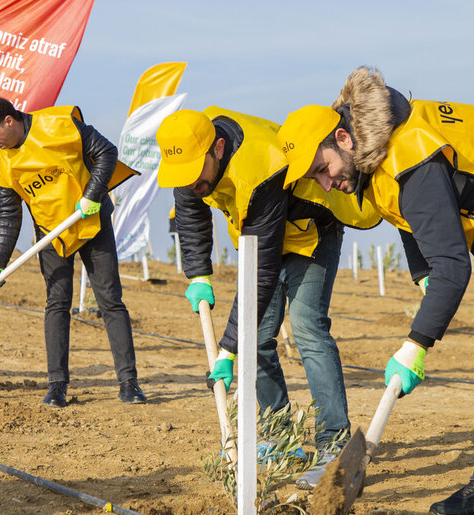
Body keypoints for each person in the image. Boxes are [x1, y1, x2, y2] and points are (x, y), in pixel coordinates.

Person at [277, 66, 474, 515]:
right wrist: (423, 271)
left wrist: (416, 344)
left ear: (343, 139)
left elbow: (452, 266)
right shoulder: (382, 154)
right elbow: (408, 215)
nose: (325, 182)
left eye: (322, 169)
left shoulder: (409, 153)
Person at [155, 107, 379, 487]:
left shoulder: (259, 166)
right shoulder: (190, 153)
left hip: (313, 227)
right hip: (263, 238)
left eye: (196, 175)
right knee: (256, 339)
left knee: (308, 327)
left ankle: (333, 445)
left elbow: (259, 274)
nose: (191, 183)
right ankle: (279, 438)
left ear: (219, 149)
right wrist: (198, 274)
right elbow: (191, 215)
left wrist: (226, 349)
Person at [0, 95, 146, 408]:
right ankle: (57, 386)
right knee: (57, 303)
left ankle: (129, 382)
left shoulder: (59, 126)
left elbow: (106, 153)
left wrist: (93, 195)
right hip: (50, 233)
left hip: (90, 218)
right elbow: (10, 216)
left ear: (8, 121)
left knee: (110, 299)